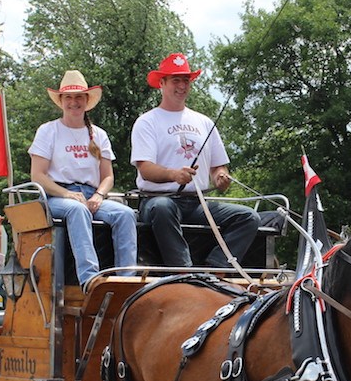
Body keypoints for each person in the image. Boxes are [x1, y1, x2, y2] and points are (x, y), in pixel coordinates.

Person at [131, 52, 259, 268]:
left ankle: (217, 267)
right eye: (175, 80)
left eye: (186, 80)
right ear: (162, 83)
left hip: (197, 204)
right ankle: (183, 270)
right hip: (158, 200)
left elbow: (218, 166)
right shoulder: (147, 122)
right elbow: (145, 169)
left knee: (249, 218)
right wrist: (174, 175)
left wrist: (220, 177)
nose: (181, 86)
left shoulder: (204, 122)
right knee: (163, 207)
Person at [29, 70, 138, 285]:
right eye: (68, 97)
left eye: (79, 97)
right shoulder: (48, 131)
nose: (74, 102)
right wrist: (67, 193)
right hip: (56, 196)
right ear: (60, 101)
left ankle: (127, 279)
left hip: (90, 195)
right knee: (76, 209)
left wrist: (99, 195)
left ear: (87, 100)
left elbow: (107, 177)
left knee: (126, 213)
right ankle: (90, 278)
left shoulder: (99, 134)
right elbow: (37, 175)